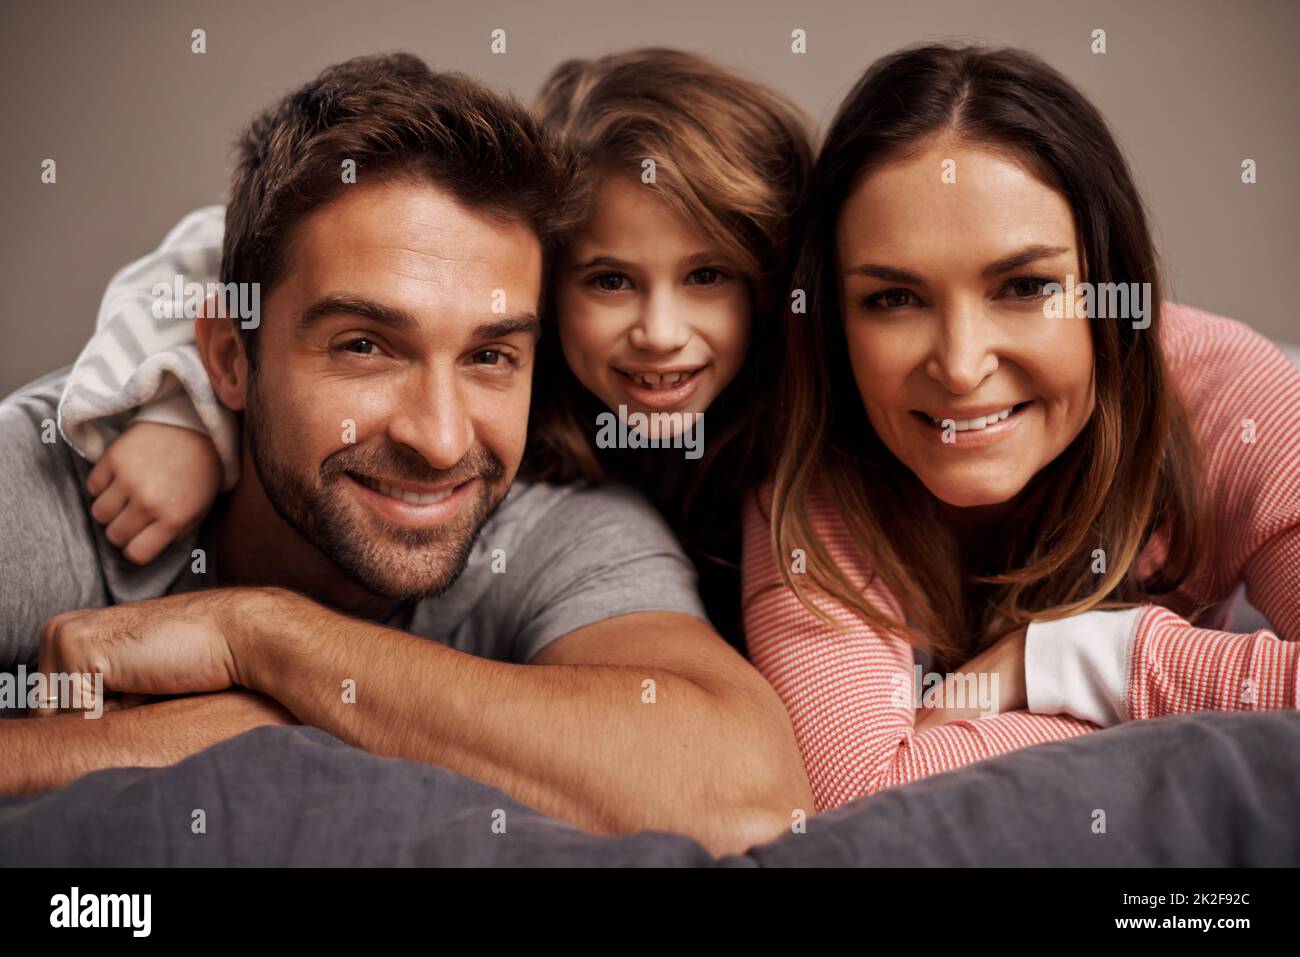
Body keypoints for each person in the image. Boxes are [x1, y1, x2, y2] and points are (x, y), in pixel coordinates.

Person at [0, 53, 813, 855]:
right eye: (364, 345)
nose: (442, 438)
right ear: (226, 358)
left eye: (490, 356)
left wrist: (259, 641)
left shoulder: (564, 520)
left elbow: (747, 787)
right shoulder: (64, 481)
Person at [58, 48, 813, 654]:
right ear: (544, 285)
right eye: (610, 280)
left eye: (708, 276)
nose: (660, 331)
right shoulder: (525, 369)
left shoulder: (803, 443)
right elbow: (224, 250)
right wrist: (182, 405)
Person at [744, 43, 1300, 812]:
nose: (961, 366)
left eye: (1025, 286)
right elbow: (862, 797)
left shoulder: (1233, 400)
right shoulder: (813, 472)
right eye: (894, 299)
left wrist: (1080, 658)